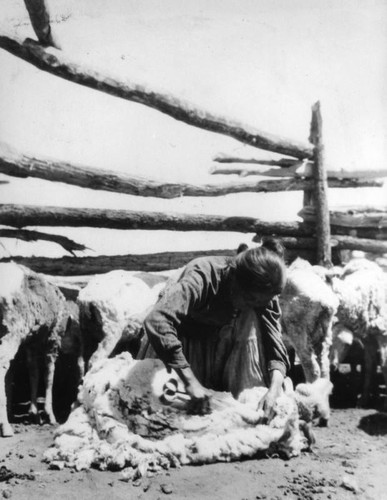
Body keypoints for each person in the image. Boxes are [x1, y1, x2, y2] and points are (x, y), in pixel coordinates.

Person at [140, 237, 290, 421]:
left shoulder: (265, 290)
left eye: (261, 302)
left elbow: (275, 344)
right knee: (167, 415)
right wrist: (190, 382)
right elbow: (157, 320)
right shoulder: (203, 274)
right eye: (250, 301)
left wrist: (273, 391)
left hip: (227, 354)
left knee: (242, 418)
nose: (257, 305)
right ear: (235, 282)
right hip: (183, 347)